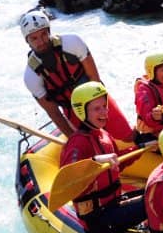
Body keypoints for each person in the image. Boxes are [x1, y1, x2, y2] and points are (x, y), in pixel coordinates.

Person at [20, 8, 130, 140]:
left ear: (49, 32)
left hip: (97, 99)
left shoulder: (72, 43)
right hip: (73, 111)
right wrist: (73, 139)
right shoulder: (31, 76)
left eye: (44, 34)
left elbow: (95, 80)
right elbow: (54, 113)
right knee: (91, 147)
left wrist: (98, 110)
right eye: (34, 38)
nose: (41, 41)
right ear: (27, 41)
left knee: (128, 136)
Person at [59, 82, 146, 233]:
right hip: (96, 219)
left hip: (112, 205)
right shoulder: (77, 143)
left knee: (156, 190)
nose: (104, 112)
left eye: (105, 106)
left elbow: (118, 162)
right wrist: (95, 160)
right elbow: (68, 180)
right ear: (82, 111)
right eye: (96, 108)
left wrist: (141, 147)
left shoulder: (104, 135)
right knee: (155, 200)